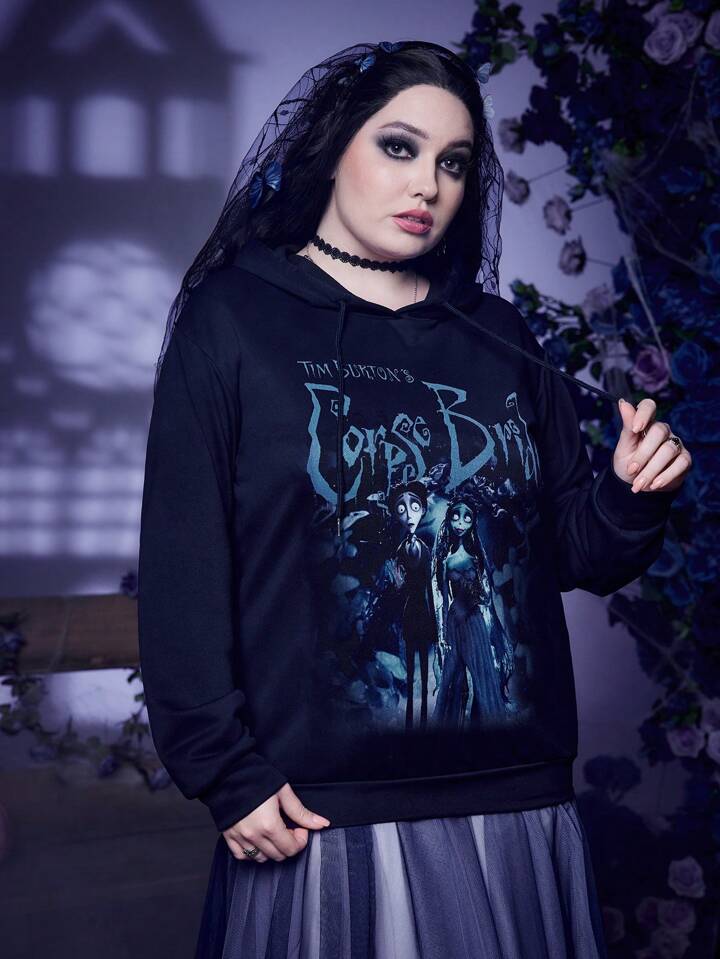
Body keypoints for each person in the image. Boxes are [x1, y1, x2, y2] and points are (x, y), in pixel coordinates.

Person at [136, 40, 692, 959]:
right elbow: (183, 564)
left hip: (515, 799)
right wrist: (223, 770)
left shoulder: (497, 334)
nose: (427, 184)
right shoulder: (233, 320)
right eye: (399, 146)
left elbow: (572, 551)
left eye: (454, 162)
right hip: (322, 810)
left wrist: (632, 491)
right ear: (331, 148)